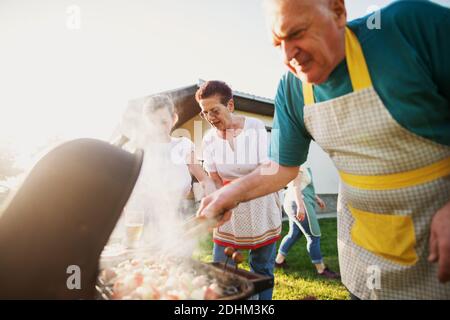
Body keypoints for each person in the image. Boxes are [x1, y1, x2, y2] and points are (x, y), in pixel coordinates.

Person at [198, 0, 450, 299]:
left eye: (298, 33)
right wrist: (228, 194)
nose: (288, 56)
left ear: (338, 11)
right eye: (278, 43)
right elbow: (281, 166)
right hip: (363, 254)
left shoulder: (411, 27)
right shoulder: (292, 89)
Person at [196, 80, 282, 300]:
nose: (210, 118)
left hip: (260, 202)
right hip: (228, 208)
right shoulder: (208, 139)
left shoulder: (254, 127)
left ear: (231, 105)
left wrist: (235, 192)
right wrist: (212, 205)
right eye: (205, 113)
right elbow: (214, 178)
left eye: (215, 110)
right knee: (222, 270)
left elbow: (266, 168)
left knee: (261, 268)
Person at [276, 167, 339, 279]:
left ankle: (278, 261)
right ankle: (321, 269)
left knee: (294, 234)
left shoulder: (300, 162)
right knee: (314, 236)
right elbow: (296, 186)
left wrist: (316, 198)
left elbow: (302, 184)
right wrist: (300, 207)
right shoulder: (299, 162)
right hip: (299, 203)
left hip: (293, 201)